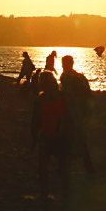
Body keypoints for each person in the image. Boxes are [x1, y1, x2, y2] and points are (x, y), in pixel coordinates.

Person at [31, 71, 71, 199]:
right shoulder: (39, 99)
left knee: (62, 168)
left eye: (41, 82)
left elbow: (71, 117)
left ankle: (66, 194)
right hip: (46, 136)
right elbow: (35, 121)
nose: (40, 84)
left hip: (61, 137)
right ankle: (45, 192)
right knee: (42, 167)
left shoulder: (63, 97)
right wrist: (33, 139)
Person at [59, 55, 94, 174]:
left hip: (74, 112)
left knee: (76, 137)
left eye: (64, 64)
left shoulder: (72, 77)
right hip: (70, 111)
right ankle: (85, 165)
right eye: (63, 64)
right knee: (74, 138)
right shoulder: (70, 76)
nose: (63, 66)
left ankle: (85, 165)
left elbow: (86, 95)